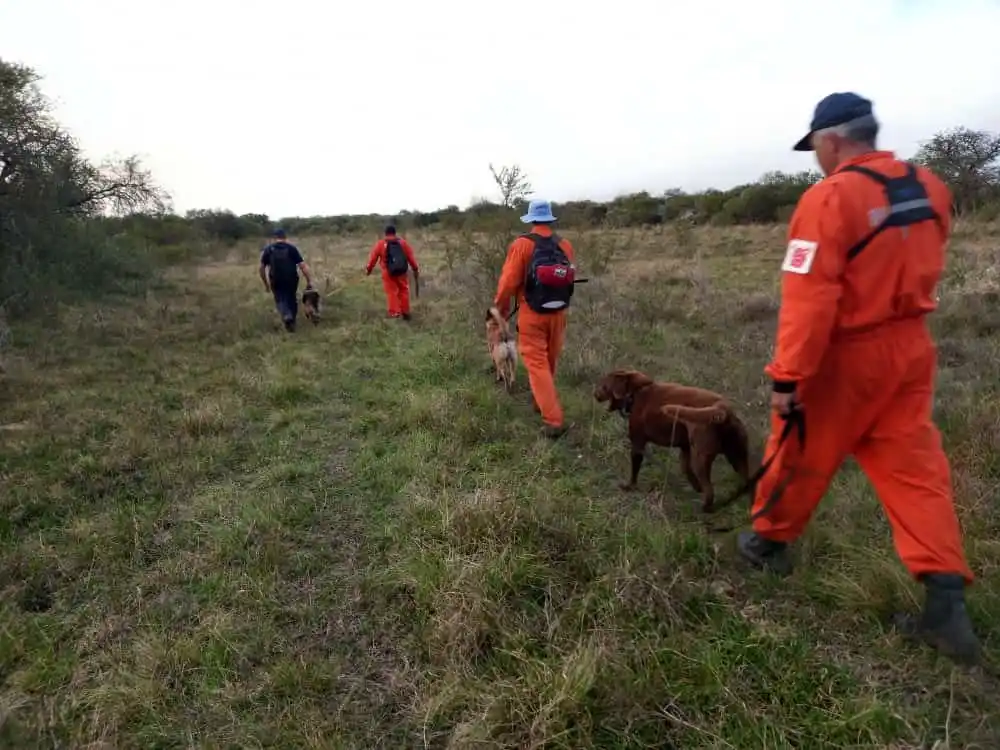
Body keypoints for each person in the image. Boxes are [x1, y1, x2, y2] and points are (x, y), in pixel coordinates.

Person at [737, 92, 980, 664]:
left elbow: (810, 295)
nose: (816, 159)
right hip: (911, 348)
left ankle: (767, 545)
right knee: (916, 473)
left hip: (844, 355)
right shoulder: (930, 186)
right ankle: (947, 605)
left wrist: (789, 375)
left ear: (832, 140)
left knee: (797, 446)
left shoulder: (830, 198)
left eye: (815, 148)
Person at [493, 199, 577, 440]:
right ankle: (541, 402)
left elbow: (508, 282)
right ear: (550, 219)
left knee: (536, 364)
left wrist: (500, 307)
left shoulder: (522, 245)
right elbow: (568, 277)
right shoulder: (565, 244)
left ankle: (553, 421)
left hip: (532, 313)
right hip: (559, 312)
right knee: (549, 360)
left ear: (531, 220)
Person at [259, 228, 313, 332]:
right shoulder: (291, 248)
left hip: (275, 279)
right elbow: (303, 266)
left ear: (274, 238)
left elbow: (261, 268)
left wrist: (265, 284)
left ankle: (287, 316)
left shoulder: (269, 249)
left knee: (280, 299)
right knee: (291, 297)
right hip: (292, 278)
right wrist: (309, 280)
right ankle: (291, 319)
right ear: (285, 237)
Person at [365, 224, 420, 320]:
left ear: (385, 233)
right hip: (402, 271)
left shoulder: (381, 244)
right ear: (395, 233)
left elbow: (373, 259)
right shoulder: (403, 243)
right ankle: (405, 311)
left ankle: (395, 313)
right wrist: (415, 268)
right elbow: (411, 257)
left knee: (391, 292)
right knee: (403, 290)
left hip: (388, 273)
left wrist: (369, 270)